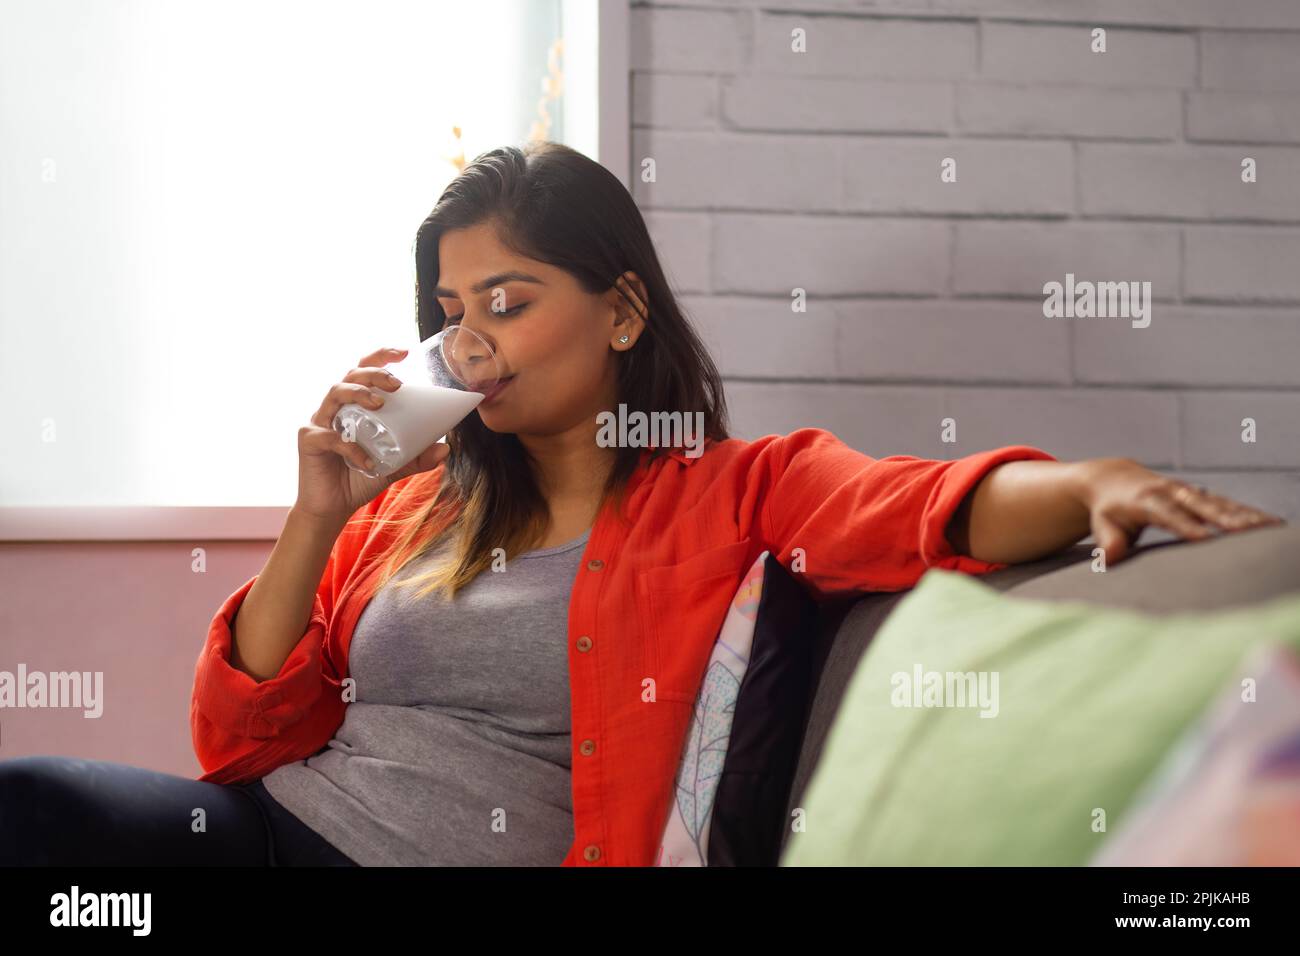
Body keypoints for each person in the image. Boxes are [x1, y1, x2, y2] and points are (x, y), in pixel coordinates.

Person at [0, 142, 1282, 867]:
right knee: (40, 817)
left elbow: (927, 504)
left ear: (618, 311)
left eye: (509, 301)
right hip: (273, 841)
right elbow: (238, 742)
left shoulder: (729, 492)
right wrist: (317, 514)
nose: (474, 341)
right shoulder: (417, 509)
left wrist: (1094, 483)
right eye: (451, 314)